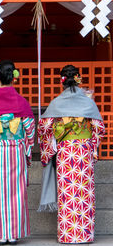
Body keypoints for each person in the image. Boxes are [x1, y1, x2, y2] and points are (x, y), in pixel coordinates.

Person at [38, 65, 105, 244]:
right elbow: (99, 128)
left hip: (66, 152)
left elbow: (43, 128)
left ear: (62, 82)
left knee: (68, 194)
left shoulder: (56, 103)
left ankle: (67, 235)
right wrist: (93, 148)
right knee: (83, 193)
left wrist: (55, 138)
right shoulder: (88, 102)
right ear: (78, 78)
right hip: (83, 151)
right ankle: (85, 235)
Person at [0, 60, 35, 245]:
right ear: (14, 78)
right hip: (15, 150)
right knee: (16, 191)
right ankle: (14, 233)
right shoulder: (21, 101)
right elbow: (30, 129)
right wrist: (28, 148)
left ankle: (0, 233)